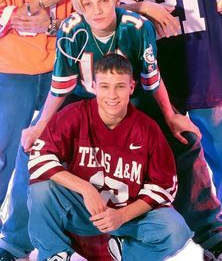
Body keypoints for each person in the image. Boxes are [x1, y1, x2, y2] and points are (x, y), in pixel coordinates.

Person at [23, 0, 222, 260]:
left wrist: (171, 116)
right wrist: (40, 125)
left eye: (103, 0)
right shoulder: (71, 29)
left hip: (131, 95)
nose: (96, 10)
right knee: (37, 147)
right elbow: (61, 86)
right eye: (88, 4)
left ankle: (213, 235)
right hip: (84, 98)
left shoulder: (135, 26)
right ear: (79, 6)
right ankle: (24, 241)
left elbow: (151, 79)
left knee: (185, 140)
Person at [111, 0, 222, 261]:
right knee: (175, 167)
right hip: (166, 84)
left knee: (221, 164)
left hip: (210, 75)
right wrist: (145, 6)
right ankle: (178, 235)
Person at [27, 52, 192, 261]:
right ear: (93, 87)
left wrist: (122, 216)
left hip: (129, 217)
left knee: (175, 228)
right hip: (83, 211)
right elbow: (39, 158)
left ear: (131, 87)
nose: (112, 95)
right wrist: (85, 189)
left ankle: (127, 253)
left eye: (120, 86)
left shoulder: (148, 129)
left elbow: (165, 187)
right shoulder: (75, 114)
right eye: (105, 86)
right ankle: (54, 254)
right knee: (42, 189)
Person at [0, 0, 89, 261]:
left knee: (35, 157)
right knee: (3, 153)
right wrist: (42, 5)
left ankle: (14, 242)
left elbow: (82, 21)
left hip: (57, 74)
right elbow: (10, 17)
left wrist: (41, 19)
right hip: (13, 70)